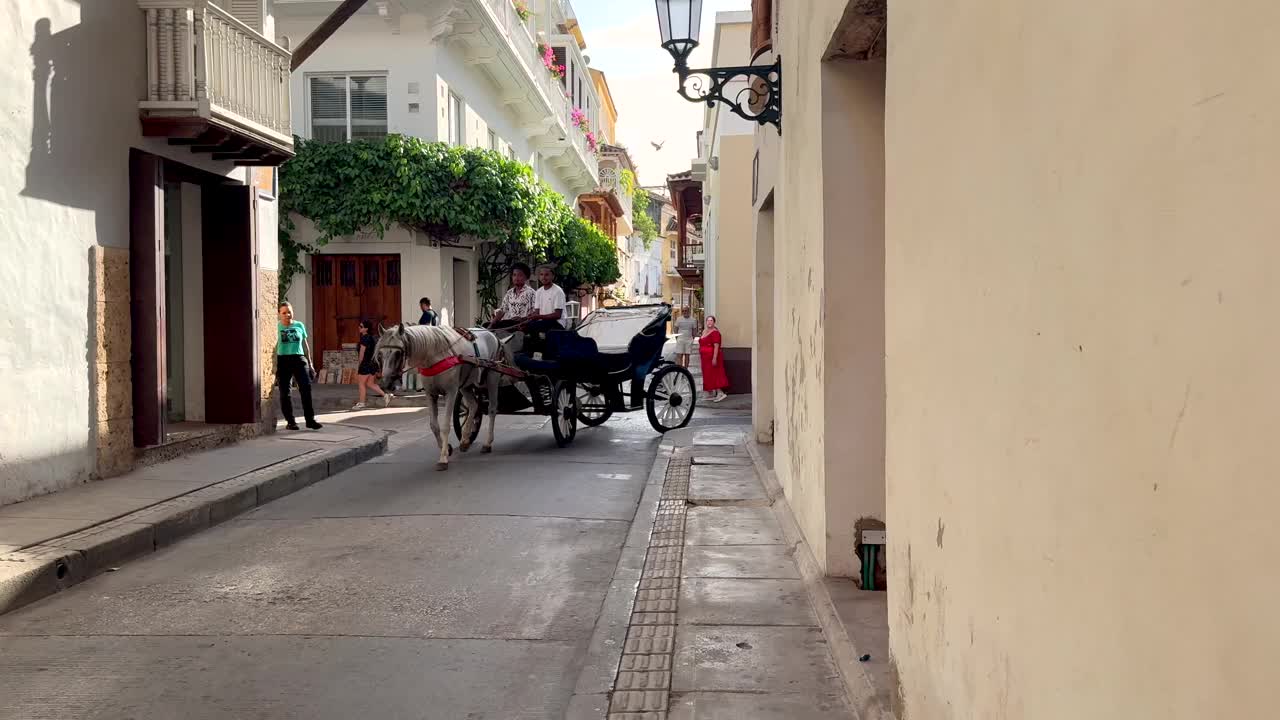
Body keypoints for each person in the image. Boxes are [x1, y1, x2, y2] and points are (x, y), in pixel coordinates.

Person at [276, 302, 322, 430]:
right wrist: (273, 366)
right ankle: (291, 422)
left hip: (299, 359)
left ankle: (310, 420)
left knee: (306, 389)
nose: (287, 315)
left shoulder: (299, 325)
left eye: (289, 312)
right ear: (279, 314)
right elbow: (272, 347)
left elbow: (306, 345)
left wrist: (311, 363)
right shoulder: (276, 327)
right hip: (283, 360)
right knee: (285, 392)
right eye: (284, 312)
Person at [352, 319, 393, 411]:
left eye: (361, 326)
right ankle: (386, 395)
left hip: (365, 364)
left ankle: (362, 403)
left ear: (366, 329)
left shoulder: (364, 338)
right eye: (359, 326)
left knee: (361, 384)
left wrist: (360, 364)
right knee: (370, 383)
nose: (359, 328)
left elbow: (362, 353)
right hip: (372, 364)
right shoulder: (371, 338)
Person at [487, 262, 537, 330]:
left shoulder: (531, 293)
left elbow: (535, 313)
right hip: (509, 324)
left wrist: (523, 319)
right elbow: (502, 310)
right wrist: (492, 323)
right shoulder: (509, 293)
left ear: (526, 277)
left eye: (520, 275)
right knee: (486, 325)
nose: (516, 278)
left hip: (523, 325)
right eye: (514, 275)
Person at [699, 315, 729, 403]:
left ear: (714, 322)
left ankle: (720, 392)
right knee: (707, 375)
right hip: (704, 358)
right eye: (708, 320)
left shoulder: (715, 332)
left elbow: (716, 346)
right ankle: (710, 392)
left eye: (711, 320)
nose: (709, 322)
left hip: (712, 357)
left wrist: (714, 358)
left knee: (714, 374)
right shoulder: (704, 331)